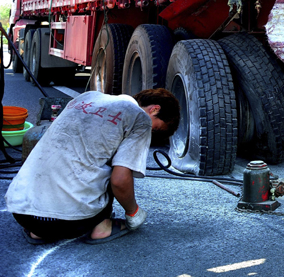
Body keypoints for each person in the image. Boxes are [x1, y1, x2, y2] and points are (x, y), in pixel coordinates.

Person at [5, 88, 180, 244]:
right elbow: (119, 181)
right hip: (71, 222)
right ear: (154, 109)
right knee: (117, 163)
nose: (151, 134)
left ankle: (38, 233)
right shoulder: (139, 118)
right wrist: (133, 212)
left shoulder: (85, 97)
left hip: (23, 213)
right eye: (155, 129)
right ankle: (102, 228)